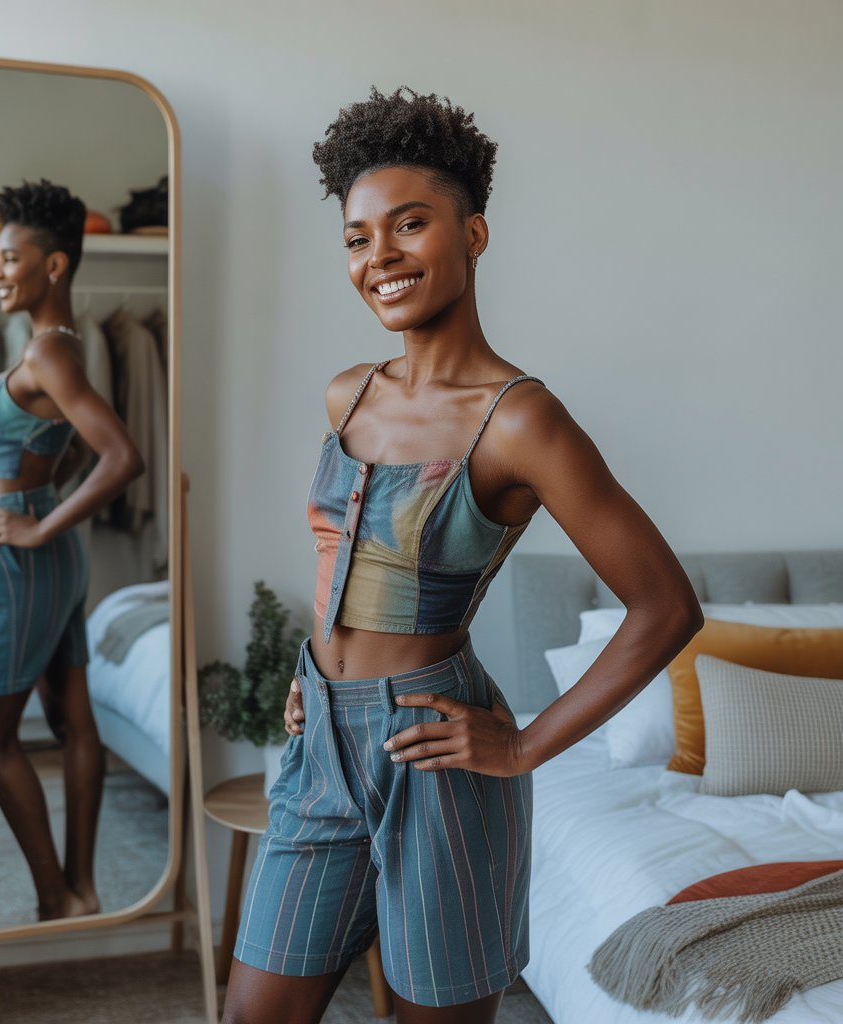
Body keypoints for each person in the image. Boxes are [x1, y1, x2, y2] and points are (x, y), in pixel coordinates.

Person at [221, 88, 703, 1023]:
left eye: (410, 224)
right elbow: (341, 548)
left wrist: (524, 744)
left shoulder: (519, 419)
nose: (380, 258)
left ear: (473, 233)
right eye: (359, 238)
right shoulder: (346, 394)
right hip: (319, 740)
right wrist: (313, 662)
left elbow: (665, 606)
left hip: (435, 753)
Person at [0, 179, 144, 920]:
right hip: (46, 551)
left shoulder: (48, 351)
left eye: (10, 257)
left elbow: (121, 456)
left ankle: (55, 895)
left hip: (27, 556)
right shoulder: (61, 346)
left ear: (55, 266)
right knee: (72, 719)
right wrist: (42, 505)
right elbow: (69, 449)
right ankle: (80, 888)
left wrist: (35, 525)